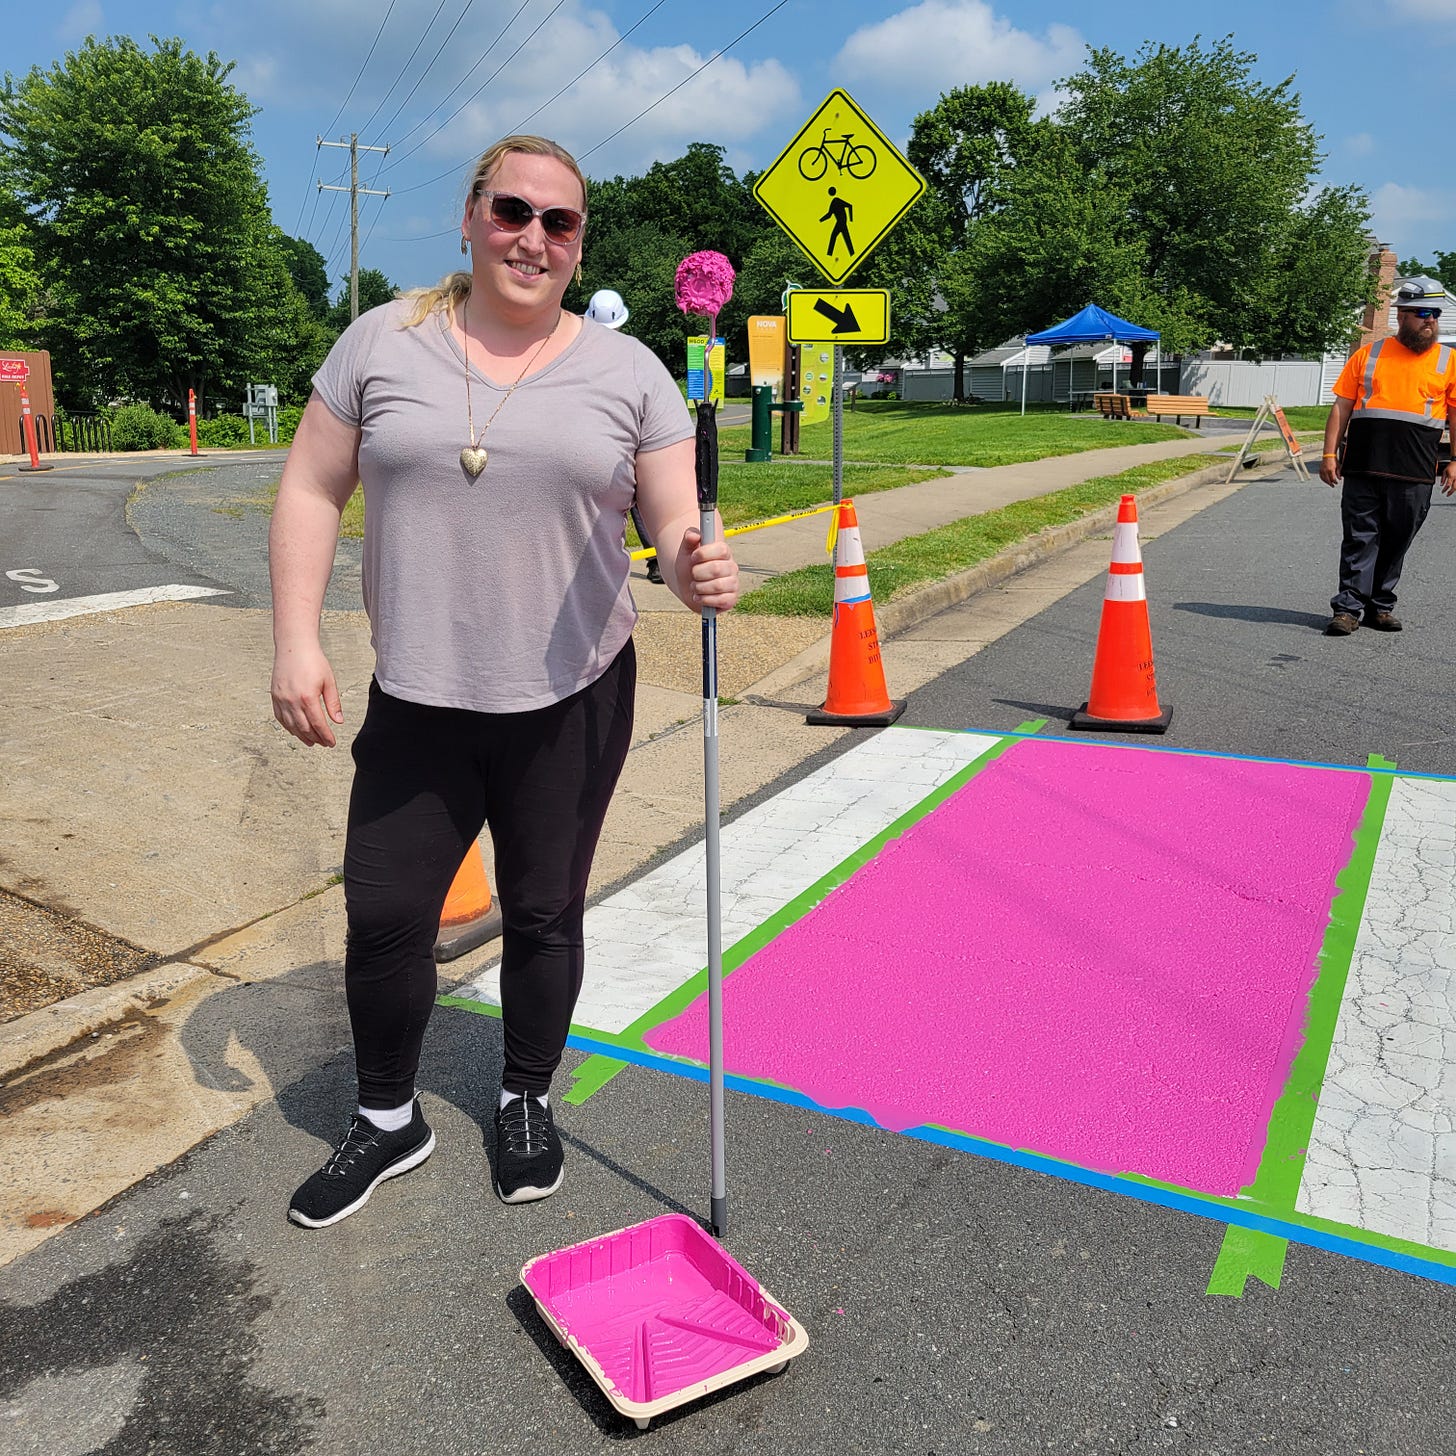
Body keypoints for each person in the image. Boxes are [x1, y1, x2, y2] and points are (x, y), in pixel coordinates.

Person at [269, 134, 740, 1228]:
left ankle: (524, 1094)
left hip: (570, 695)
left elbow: (668, 516)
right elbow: (307, 488)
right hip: (420, 692)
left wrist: (687, 560)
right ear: (473, 216)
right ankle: (387, 1116)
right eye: (513, 210)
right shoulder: (384, 342)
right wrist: (297, 639)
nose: (534, 236)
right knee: (386, 913)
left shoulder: (629, 372)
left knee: (541, 910)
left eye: (559, 222)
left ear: (579, 245)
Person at [1321, 275, 1456, 635]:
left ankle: (1380, 605)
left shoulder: (1449, 361)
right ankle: (1347, 608)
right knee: (1359, 537)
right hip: (1364, 465)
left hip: (1415, 471)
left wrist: (1455, 460)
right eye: (1422, 312)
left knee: (1398, 539)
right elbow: (1341, 406)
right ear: (1402, 315)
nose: (1430, 320)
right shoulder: (1370, 354)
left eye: (1435, 314)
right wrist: (1329, 454)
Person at [584, 286, 664, 584]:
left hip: (603, 440)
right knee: (635, 503)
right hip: (617, 439)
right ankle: (654, 560)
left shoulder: (583, 349)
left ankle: (651, 559)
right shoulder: (630, 353)